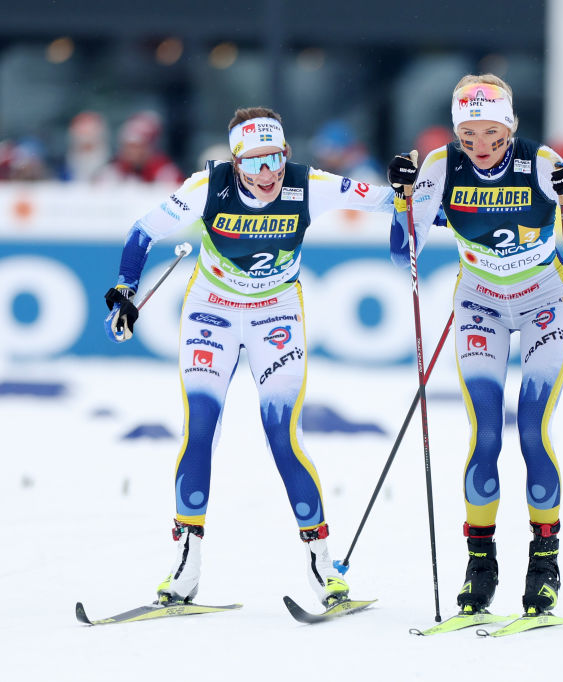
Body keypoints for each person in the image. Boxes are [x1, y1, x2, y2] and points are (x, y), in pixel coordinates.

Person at [103, 106, 396, 608]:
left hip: (275, 313)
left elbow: (394, 201)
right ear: (236, 162)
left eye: (276, 159)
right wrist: (125, 289)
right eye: (255, 163)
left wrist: (411, 184)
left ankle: (324, 567)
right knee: (200, 428)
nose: (269, 175)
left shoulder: (310, 184)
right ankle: (185, 568)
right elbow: (142, 230)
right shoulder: (207, 187)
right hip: (211, 311)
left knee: (282, 435)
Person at [386, 74, 563, 617]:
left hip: (542, 303)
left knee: (533, 431)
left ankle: (544, 565)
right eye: (468, 135)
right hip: (479, 305)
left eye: (491, 133)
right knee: (485, 432)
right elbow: (404, 253)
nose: (481, 147)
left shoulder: (538, 161)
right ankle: (480, 567)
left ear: (510, 125)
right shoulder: (440, 168)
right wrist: (402, 198)